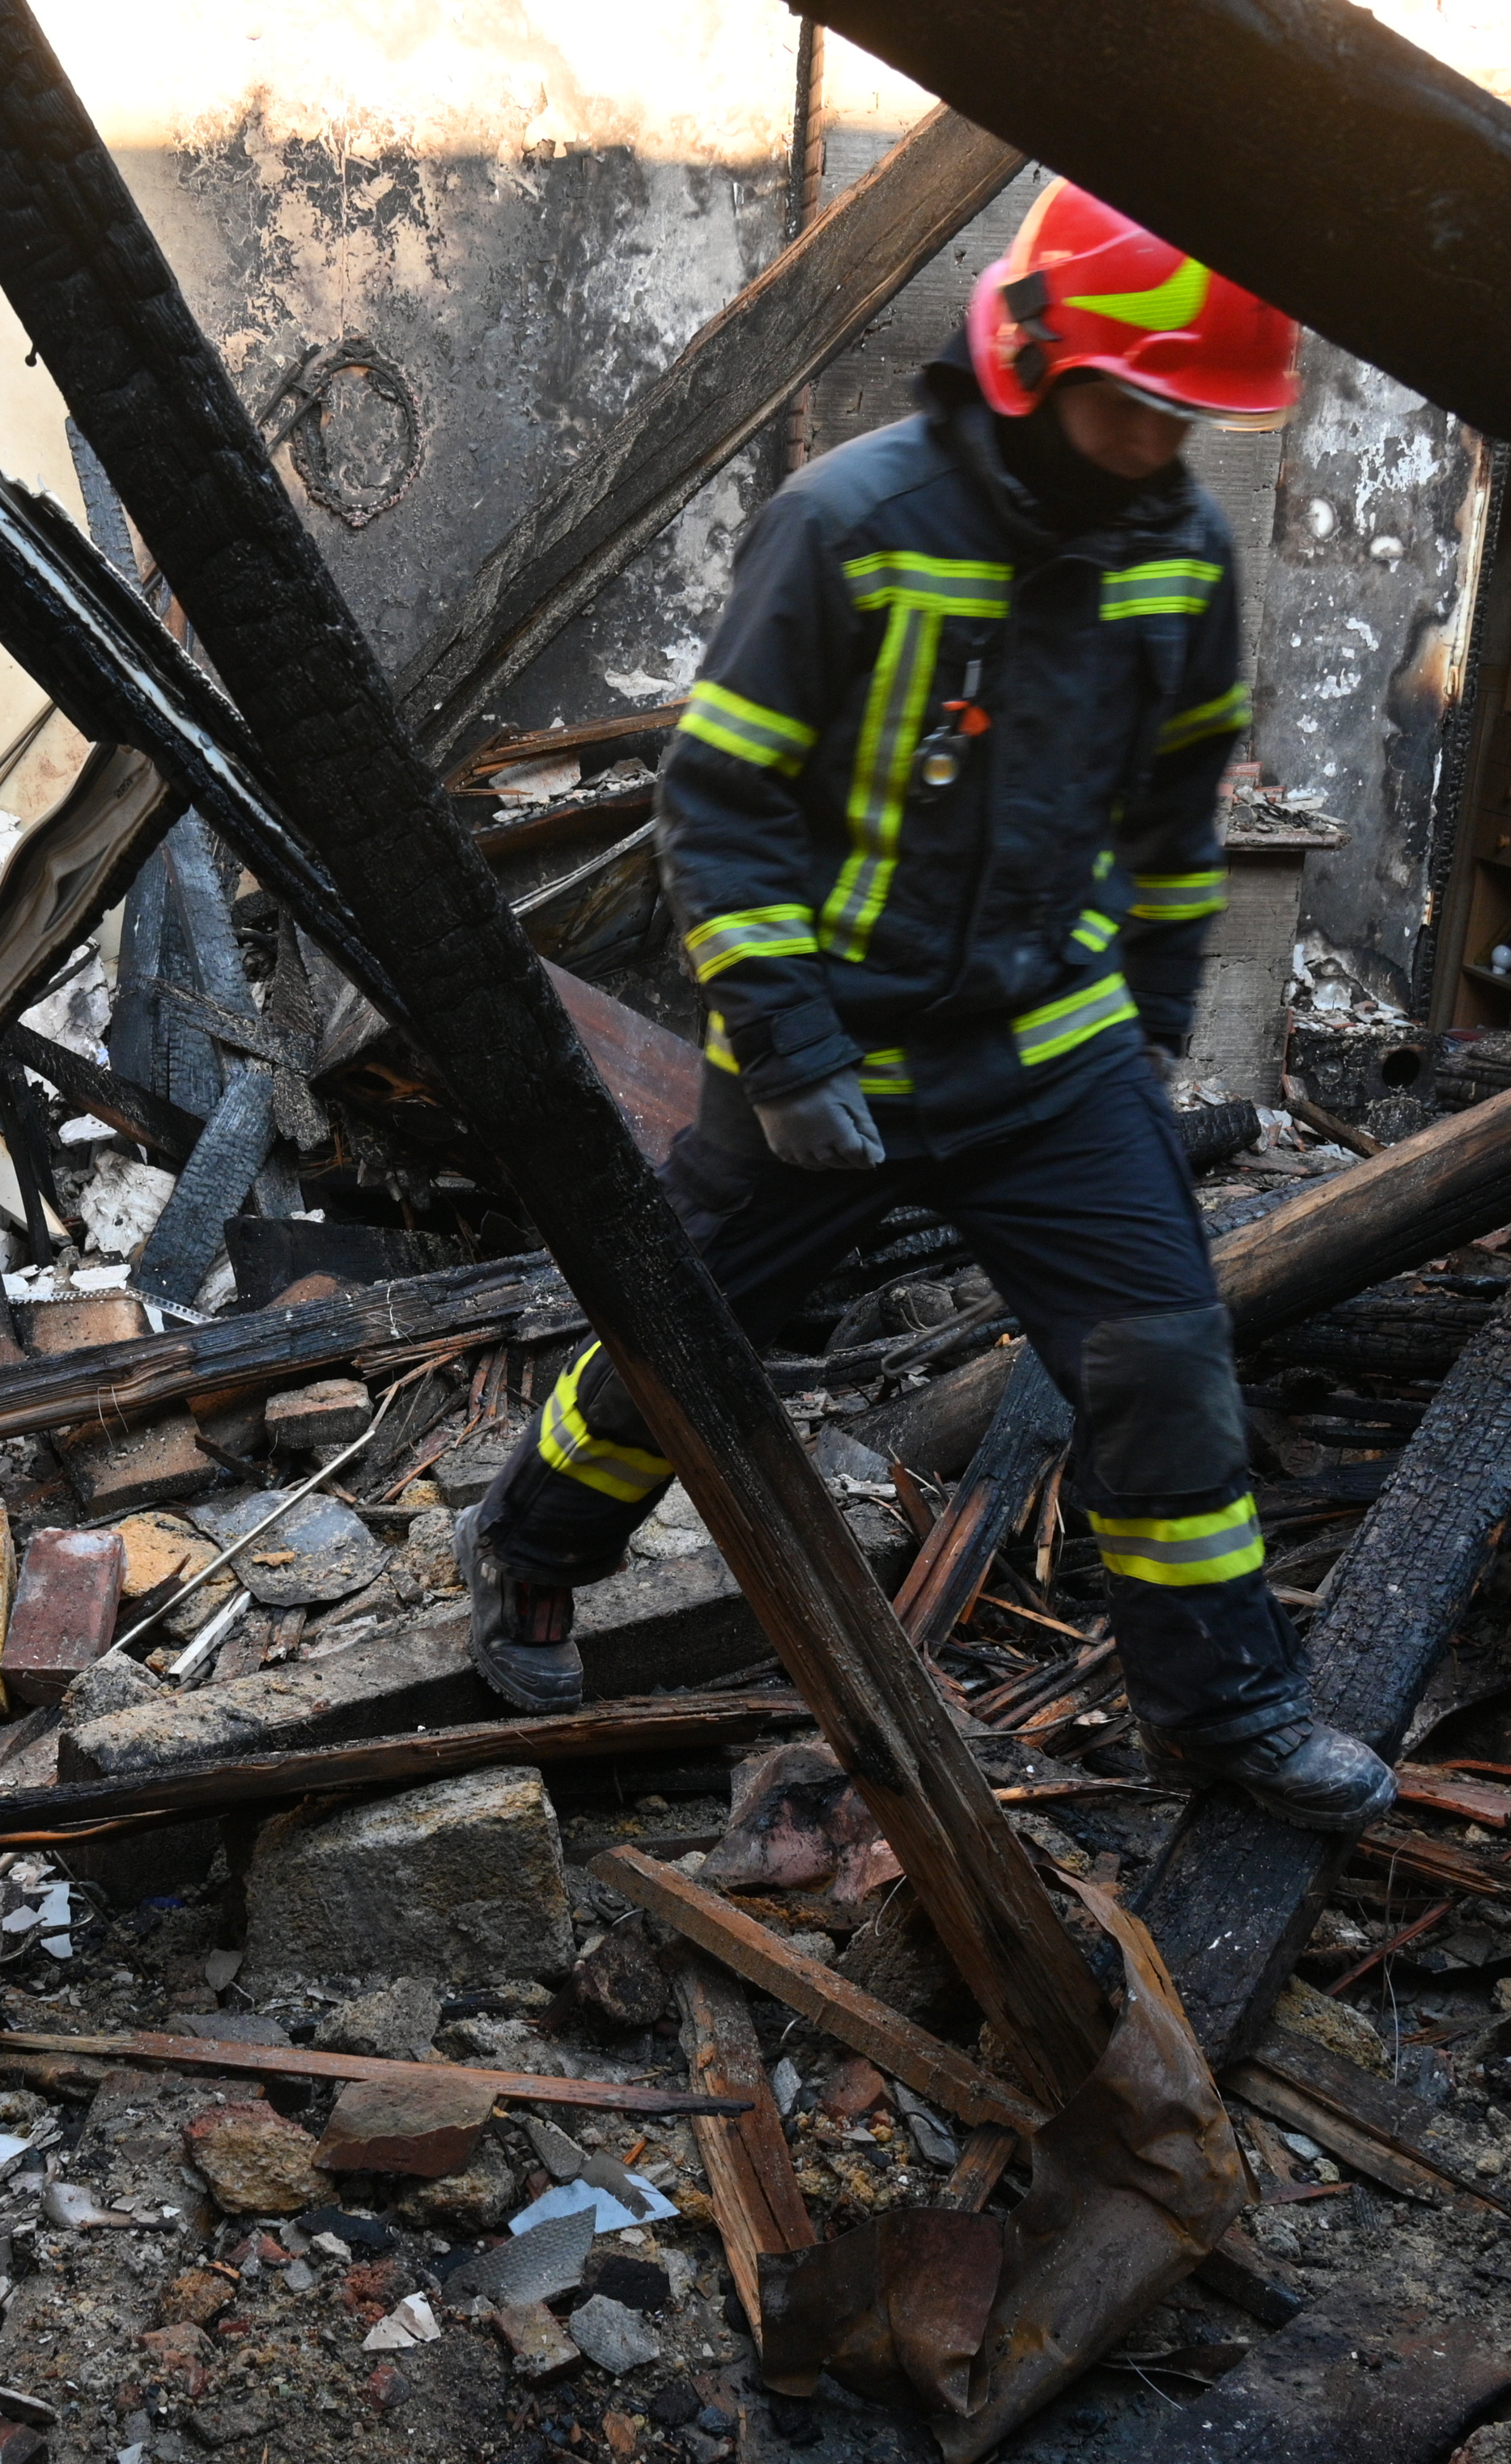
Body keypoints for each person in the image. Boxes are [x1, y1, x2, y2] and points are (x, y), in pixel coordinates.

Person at [456, 182, 1395, 1834]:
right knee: (683, 1349)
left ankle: (1226, 1707)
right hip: (830, 1060)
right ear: (1032, 354)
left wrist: (1160, 1037)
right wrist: (794, 1047)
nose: (1159, 442)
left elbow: (1180, 813)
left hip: (1050, 1059)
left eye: (1189, 416)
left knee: (1164, 1361)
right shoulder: (850, 521)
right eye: (1138, 403)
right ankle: (531, 1550)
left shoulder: (1176, 553)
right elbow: (720, 805)